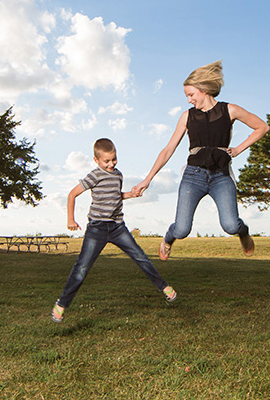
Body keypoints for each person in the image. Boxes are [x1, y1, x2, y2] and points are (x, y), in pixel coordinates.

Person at [132, 60, 269, 260]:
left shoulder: (229, 110)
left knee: (231, 225)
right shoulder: (187, 116)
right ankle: (168, 238)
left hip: (221, 177)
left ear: (204, 89)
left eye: (191, 94)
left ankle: (243, 232)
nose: (189, 100)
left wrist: (239, 148)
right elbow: (168, 149)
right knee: (181, 230)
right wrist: (147, 179)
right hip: (193, 177)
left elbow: (262, 127)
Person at [51, 138, 178, 323]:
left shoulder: (118, 175)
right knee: (82, 267)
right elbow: (72, 194)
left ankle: (164, 287)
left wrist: (130, 194)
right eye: (107, 161)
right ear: (96, 160)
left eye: (114, 159)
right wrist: (70, 219)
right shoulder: (94, 175)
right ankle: (62, 304)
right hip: (97, 228)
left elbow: (115, 196)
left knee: (140, 256)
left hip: (118, 227)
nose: (111, 164)